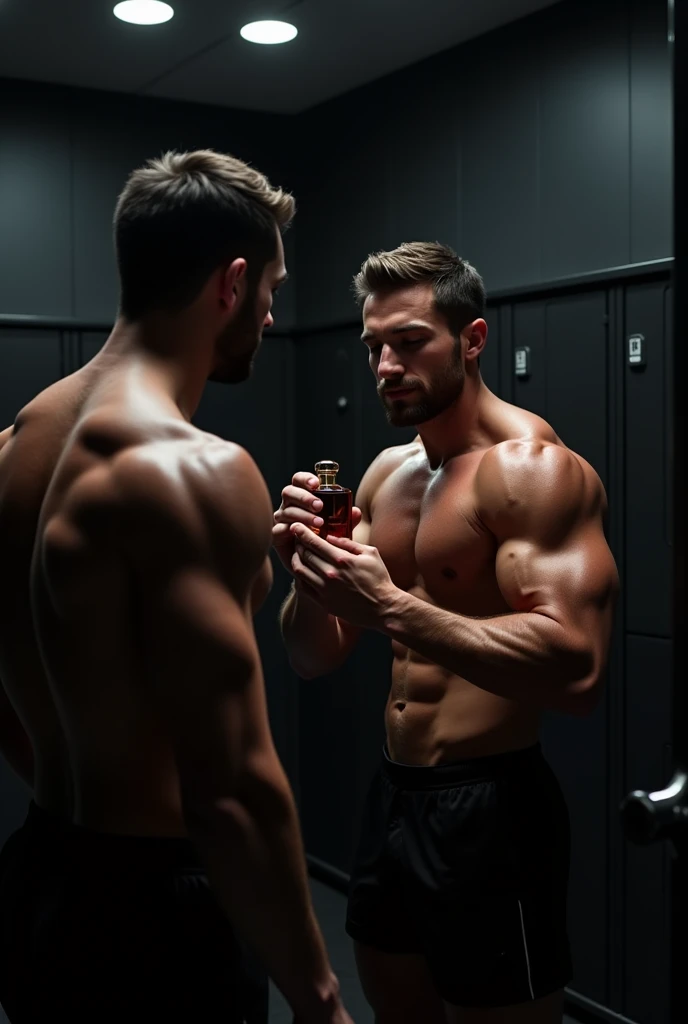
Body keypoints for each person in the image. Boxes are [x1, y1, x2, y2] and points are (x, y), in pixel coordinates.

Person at [0, 149, 353, 1024]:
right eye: (270, 288)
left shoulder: (18, 445)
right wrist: (320, 997)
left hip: (45, 872)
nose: (272, 314)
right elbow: (233, 785)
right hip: (162, 920)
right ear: (230, 284)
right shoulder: (192, 470)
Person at [273, 242, 619, 1024]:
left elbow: (580, 672)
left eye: (409, 341)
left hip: (494, 807)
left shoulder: (533, 472)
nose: (385, 365)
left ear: (472, 340)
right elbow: (314, 656)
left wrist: (392, 607)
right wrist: (307, 576)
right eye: (373, 346)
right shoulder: (385, 475)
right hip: (394, 793)